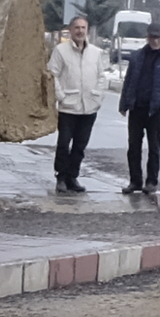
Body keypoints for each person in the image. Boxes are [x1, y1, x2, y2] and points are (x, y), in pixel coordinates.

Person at [45, 15, 113, 193]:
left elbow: (101, 77)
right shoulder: (60, 51)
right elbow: (52, 75)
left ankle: (72, 177)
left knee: (80, 146)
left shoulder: (96, 53)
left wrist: (97, 97)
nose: (80, 31)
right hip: (68, 107)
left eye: (83, 28)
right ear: (70, 30)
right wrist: (61, 97)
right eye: (77, 28)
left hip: (88, 108)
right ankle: (60, 177)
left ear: (87, 30)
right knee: (64, 144)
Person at [118, 29, 160, 193]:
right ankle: (135, 181)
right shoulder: (137, 57)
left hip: (155, 111)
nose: (155, 41)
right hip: (137, 109)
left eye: (158, 37)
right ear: (147, 37)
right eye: (152, 37)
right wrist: (124, 104)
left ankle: (151, 182)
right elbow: (129, 81)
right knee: (133, 147)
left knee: (154, 148)